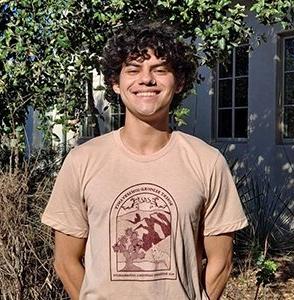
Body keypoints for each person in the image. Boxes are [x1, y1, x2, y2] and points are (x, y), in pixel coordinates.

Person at [42, 22, 248, 300]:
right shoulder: (82, 161)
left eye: (160, 70)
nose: (146, 80)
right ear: (116, 82)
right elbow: (66, 261)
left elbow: (220, 262)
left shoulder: (207, 162)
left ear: (179, 82)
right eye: (133, 69)